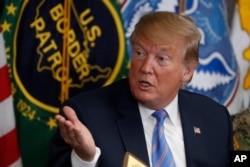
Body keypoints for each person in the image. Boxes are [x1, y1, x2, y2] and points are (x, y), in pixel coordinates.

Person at [47, 11, 233, 167]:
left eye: (161, 59)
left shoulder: (215, 119)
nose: (145, 67)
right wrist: (84, 158)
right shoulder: (87, 116)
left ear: (187, 72)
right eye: (140, 53)